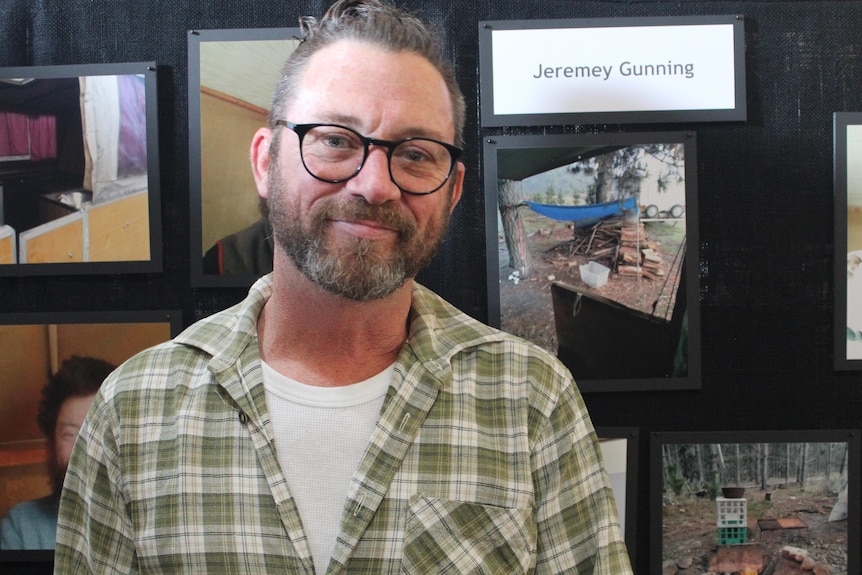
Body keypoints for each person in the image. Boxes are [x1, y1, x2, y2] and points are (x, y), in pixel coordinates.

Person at [55, 1, 633, 573]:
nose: (376, 185)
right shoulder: (134, 411)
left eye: (414, 154)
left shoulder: (532, 401)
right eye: (335, 140)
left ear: (452, 190)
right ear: (265, 161)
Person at [0, 356, 114, 550]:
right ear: (52, 443)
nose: (83, 448)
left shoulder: (155, 524)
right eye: (70, 434)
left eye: (96, 431)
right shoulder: (21, 526)